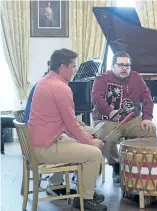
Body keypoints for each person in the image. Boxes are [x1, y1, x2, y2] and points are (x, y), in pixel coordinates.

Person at [28, 48, 107, 210]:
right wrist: (92, 142)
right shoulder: (60, 88)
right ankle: (84, 199)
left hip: (38, 143)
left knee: (84, 142)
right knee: (94, 154)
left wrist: (85, 136)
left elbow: (66, 123)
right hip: (45, 148)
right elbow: (71, 124)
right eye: (73, 66)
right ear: (63, 67)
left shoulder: (44, 81)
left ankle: (86, 190)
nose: (75, 71)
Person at [91, 51, 156, 183]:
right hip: (107, 119)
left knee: (150, 130)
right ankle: (116, 166)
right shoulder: (102, 79)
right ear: (112, 65)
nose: (124, 68)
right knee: (107, 138)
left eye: (127, 65)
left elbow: (147, 97)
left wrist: (147, 117)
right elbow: (96, 98)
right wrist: (109, 111)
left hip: (132, 119)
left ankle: (141, 165)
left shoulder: (136, 77)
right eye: (120, 65)